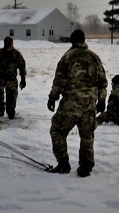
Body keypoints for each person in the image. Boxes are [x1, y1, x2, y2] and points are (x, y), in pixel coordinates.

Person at [46, 29, 108, 177]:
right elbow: (102, 83)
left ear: (72, 41)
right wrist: (102, 100)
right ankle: (85, 168)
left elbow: (59, 81)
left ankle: (63, 164)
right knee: (87, 136)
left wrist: (52, 98)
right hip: (90, 104)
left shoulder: (67, 57)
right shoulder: (95, 58)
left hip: (71, 104)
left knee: (57, 131)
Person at [0, 35, 27, 119]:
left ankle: (10, 111)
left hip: (11, 79)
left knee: (12, 97)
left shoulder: (16, 54)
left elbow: (22, 66)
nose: (8, 48)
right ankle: (1, 107)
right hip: (0, 78)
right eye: (7, 47)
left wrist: (23, 79)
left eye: (10, 46)